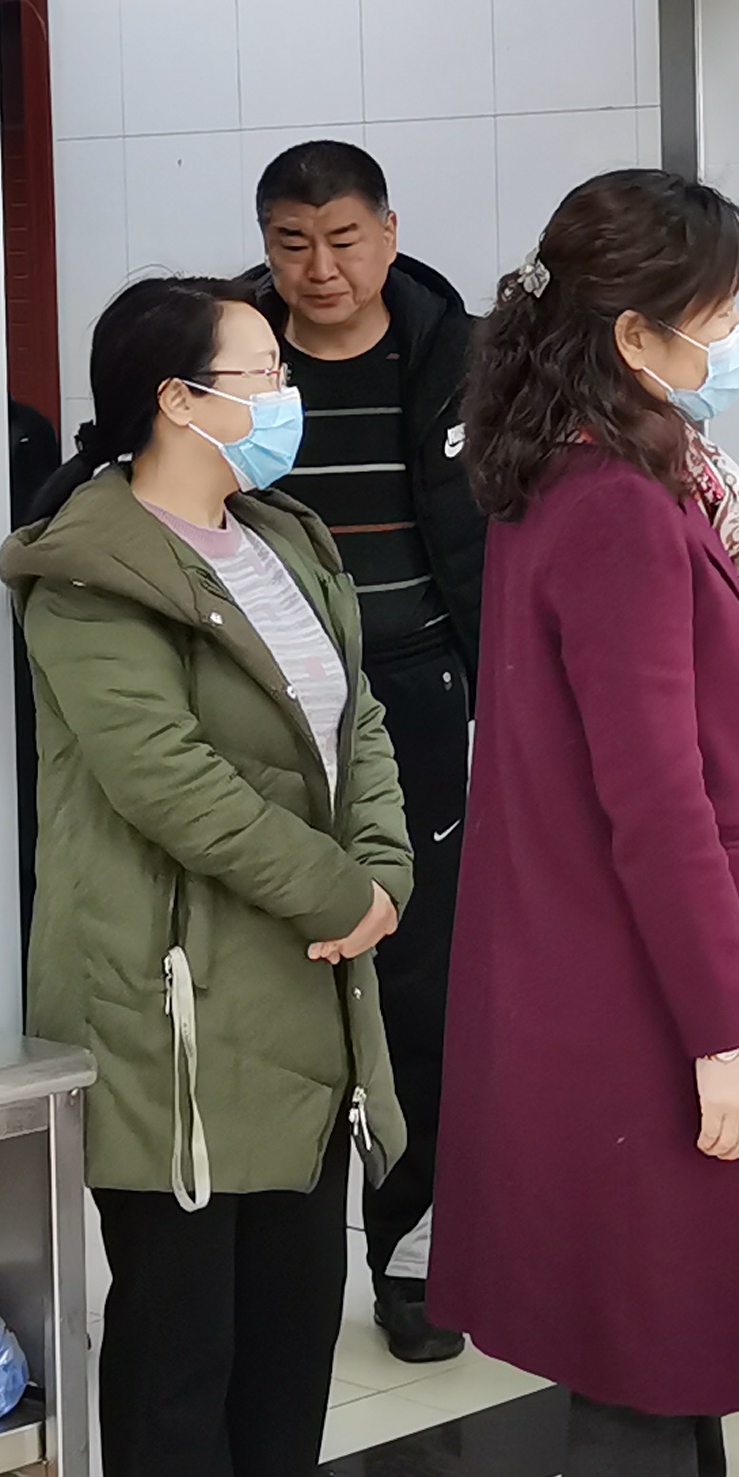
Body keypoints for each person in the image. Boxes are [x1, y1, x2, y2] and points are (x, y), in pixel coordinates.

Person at [5, 277, 412, 1477]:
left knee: (293, 1326)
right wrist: (333, 886)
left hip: (302, 980)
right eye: (260, 370)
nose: (285, 389)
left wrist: (383, 872)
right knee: (182, 1345)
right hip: (170, 1004)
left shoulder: (285, 540)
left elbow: (360, 719)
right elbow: (165, 777)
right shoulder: (91, 573)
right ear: (178, 399)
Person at [431, 169, 739, 1477]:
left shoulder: (582, 478)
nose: (737, 336)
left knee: (673, 1355)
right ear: (639, 335)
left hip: (612, 979)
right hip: (647, 1003)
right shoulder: (620, 515)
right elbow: (659, 803)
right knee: (650, 1367)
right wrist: (726, 1031)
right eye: (717, 313)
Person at [241, 140, 487, 1363]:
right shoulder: (234, 359)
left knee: (417, 987)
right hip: (266, 708)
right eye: (292, 244)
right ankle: (273, 1262)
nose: (320, 268)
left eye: (343, 240)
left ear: (388, 234)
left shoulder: (460, 355)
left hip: (418, 697)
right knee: (269, 979)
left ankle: (410, 1256)